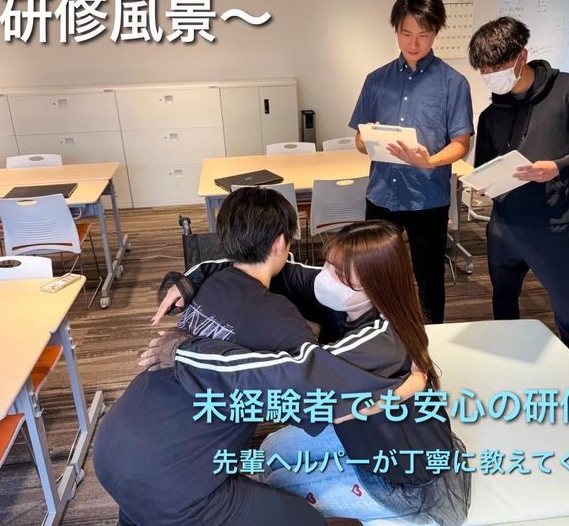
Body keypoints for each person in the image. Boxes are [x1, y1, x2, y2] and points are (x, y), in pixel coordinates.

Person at [94, 188, 415, 526]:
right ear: (280, 243)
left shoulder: (209, 281)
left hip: (112, 448)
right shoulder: (280, 320)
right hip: (172, 485)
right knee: (306, 520)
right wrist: (406, 387)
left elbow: (289, 279)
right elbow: (317, 389)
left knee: (143, 507)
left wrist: (193, 276)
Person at [149, 221, 471, 525]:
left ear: (375, 284)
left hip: (397, 477)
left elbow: (288, 373)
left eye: (339, 274)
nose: (325, 277)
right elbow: (260, 265)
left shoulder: (380, 343)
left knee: (276, 483)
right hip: (361, 435)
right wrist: (192, 279)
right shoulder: (350, 295)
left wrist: (185, 352)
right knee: (269, 450)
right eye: (328, 264)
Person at [468, 16, 569, 366]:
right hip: (504, 227)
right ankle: (511, 368)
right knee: (504, 305)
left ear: (522, 56)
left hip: (554, 225)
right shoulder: (491, 115)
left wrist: (557, 167)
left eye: (497, 66)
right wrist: (484, 186)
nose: (491, 75)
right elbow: (484, 166)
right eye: (484, 69)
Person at [349, 0, 474, 324]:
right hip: (381, 194)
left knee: (429, 278)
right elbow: (358, 138)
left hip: (427, 197)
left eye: (423, 34)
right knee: (375, 274)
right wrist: (368, 141)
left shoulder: (453, 83)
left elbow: (461, 143)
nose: (414, 43)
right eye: (406, 33)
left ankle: (432, 340)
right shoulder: (376, 80)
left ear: (436, 32)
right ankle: (375, 334)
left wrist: (429, 161)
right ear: (396, 31)